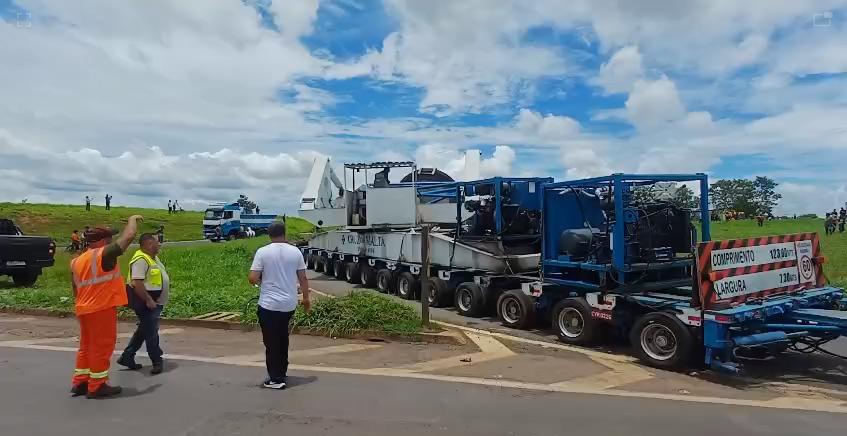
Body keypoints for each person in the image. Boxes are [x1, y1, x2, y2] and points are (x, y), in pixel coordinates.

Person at [69, 215, 142, 399]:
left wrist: (83, 303)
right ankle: (97, 385)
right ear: (101, 241)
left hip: (83, 308)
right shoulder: (103, 254)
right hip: (101, 308)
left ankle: (81, 381)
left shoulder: (77, 261)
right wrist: (132, 220)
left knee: (86, 346)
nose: (111, 240)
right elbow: (129, 236)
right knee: (102, 346)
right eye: (109, 238)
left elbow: (75, 287)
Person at [248, 222, 311, 390]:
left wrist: (262, 278)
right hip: (289, 305)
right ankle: (282, 371)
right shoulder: (295, 252)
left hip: (269, 305)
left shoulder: (263, 252)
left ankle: (276, 379)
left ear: (269, 234)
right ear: (284, 233)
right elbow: (303, 278)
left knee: (271, 342)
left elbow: (252, 278)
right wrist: (306, 299)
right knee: (282, 338)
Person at [117, 233, 169, 375]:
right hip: (146, 302)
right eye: (158, 242)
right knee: (151, 332)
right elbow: (137, 282)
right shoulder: (140, 260)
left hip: (154, 301)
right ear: (149, 244)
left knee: (144, 330)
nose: (160, 244)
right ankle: (156, 360)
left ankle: (127, 356)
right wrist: (148, 300)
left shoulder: (152, 258)